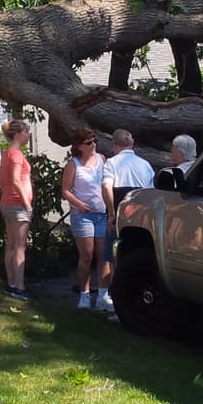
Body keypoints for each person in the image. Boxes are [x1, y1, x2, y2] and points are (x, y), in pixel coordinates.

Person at [61, 129, 108, 311]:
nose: (94, 145)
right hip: (83, 216)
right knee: (87, 255)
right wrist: (78, 203)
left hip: (102, 213)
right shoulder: (74, 165)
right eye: (89, 143)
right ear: (79, 146)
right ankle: (85, 294)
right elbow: (65, 190)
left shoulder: (102, 160)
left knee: (104, 255)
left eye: (94, 141)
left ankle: (104, 295)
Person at [102, 129, 155, 289]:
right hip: (141, 220)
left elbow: (106, 187)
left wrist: (111, 213)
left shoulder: (112, 163)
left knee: (112, 258)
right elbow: (152, 193)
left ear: (114, 145)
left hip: (119, 215)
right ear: (132, 144)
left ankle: (111, 295)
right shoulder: (145, 165)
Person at [0, 119, 33, 299]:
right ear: (19, 134)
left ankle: (11, 284)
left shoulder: (7, 153)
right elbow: (15, 180)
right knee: (20, 247)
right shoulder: (17, 154)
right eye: (27, 132)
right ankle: (19, 287)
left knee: (11, 245)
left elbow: (1, 181)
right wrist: (26, 202)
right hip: (18, 205)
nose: (28, 135)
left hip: (7, 203)